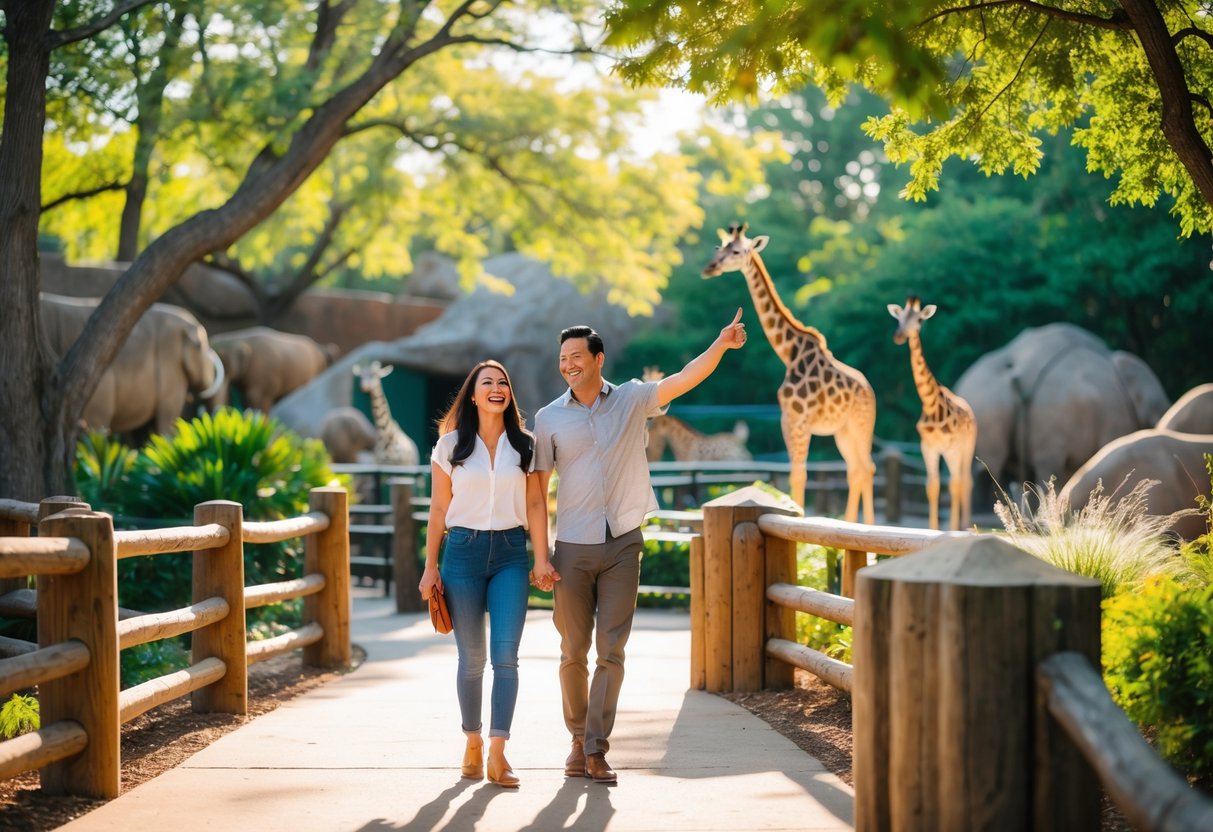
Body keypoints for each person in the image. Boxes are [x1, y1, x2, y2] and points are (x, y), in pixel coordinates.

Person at [534, 309, 747, 784]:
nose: (568, 364)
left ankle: (594, 748)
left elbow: (685, 378)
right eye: (562, 357)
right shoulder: (548, 418)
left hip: (624, 543)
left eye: (576, 356)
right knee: (572, 649)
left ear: (598, 359)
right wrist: (540, 554)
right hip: (571, 545)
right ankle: (576, 737)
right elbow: (537, 491)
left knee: (612, 650)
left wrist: (720, 342)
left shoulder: (632, 399)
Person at [419, 359, 560, 788]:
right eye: (487, 383)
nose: (496, 388)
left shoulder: (527, 445)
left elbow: (536, 505)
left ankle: (498, 754)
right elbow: (439, 509)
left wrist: (542, 557)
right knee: (472, 660)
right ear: (473, 394)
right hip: (461, 553)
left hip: (511, 556)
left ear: (508, 394)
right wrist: (429, 566)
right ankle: (473, 741)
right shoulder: (449, 446)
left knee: (506, 658)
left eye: (503, 382)